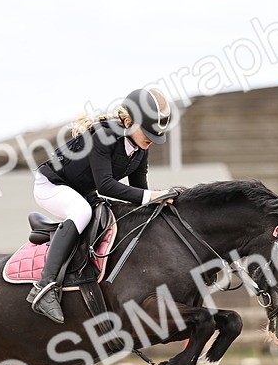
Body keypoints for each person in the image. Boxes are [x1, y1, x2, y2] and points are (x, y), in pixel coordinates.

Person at [28, 88, 173, 323]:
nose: (151, 139)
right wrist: (153, 195)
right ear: (128, 122)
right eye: (147, 132)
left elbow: (139, 193)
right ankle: (45, 287)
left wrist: (159, 201)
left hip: (81, 190)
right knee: (81, 211)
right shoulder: (103, 136)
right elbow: (106, 186)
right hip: (51, 185)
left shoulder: (140, 149)